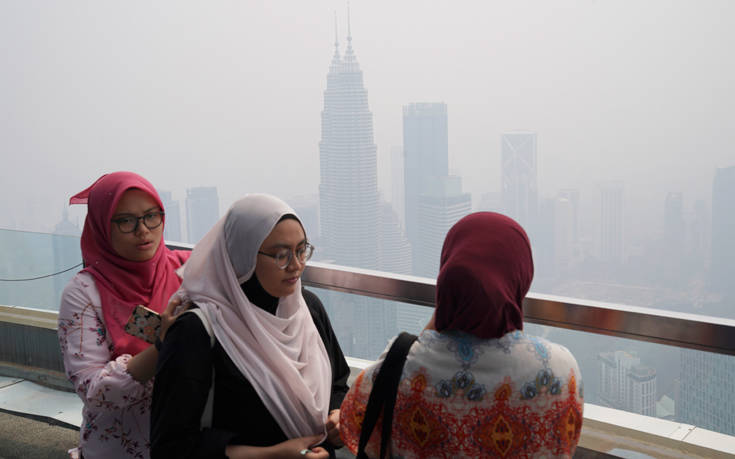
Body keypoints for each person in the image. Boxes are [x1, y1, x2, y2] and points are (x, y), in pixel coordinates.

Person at [339, 212, 584, 458]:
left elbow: (353, 424)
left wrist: (444, 311)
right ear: (521, 276)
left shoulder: (401, 366)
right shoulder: (561, 372)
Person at [151, 194, 350, 459]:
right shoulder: (197, 331)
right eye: (281, 255)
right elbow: (170, 447)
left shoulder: (307, 308)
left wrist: (337, 417)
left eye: (302, 250)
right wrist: (272, 455)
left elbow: (338, 382)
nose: (296, 265)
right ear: (242, 256)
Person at [58, 172, 191, 459]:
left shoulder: (188, 271)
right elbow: (93, 390)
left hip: (187, 440)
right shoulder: (83, 293)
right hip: (120, 448)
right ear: (102, 227)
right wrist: (164, 345)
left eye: (151, 216)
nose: (143, 230)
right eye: (126, 221)